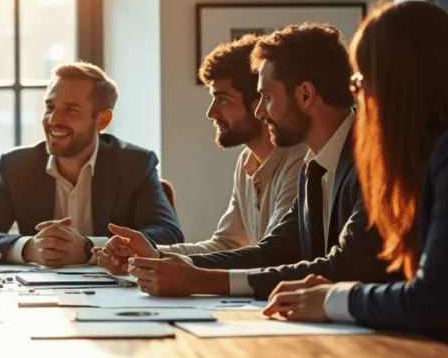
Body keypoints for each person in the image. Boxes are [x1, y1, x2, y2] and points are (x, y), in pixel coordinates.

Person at [263, 0, 448, 358]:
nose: (359, 98)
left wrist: (332, 299)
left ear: (399, 82)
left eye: (360, 82)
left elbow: (432, 300)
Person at [116, 24, 396, 298]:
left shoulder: (376, 159)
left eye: (266, 97)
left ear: (306, 95)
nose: (260, 112)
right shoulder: (314, 166)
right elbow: (272, 251)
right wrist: (161, 259)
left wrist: (201, 280)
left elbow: (344, 267)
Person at [97, 35, 305, 273]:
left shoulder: (299, 161)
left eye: (223, 99)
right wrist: (148, 255)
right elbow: (226, 245)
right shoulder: (247, 162)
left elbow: (273, 256)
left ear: (259, 101)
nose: (211, 112)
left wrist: (161, 260)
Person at [0, 62, 183, 267]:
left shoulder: (134, 164)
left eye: (71, 110)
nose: (53, 120)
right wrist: (29, 248)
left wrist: (89, 248)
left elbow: (168, 235)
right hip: (41, 295)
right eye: (50, 107)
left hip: (119, 292)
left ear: (103, 120)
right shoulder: (18, 166)